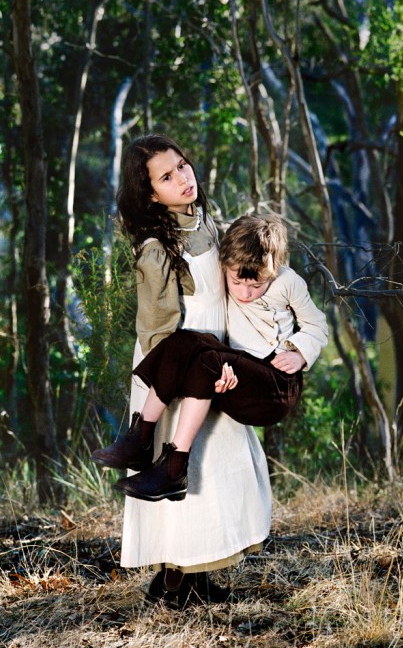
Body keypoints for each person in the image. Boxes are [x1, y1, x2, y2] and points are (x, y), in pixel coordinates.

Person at [96, 134, 271, 608]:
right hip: (173, 372)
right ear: (151, 194)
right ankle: (171, 583)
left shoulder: (207, 224)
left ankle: (197, 577)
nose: (182, 178)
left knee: (216, 469)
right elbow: (158, 330)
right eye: (166, 177)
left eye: (182, 166)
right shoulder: (157, 247)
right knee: (178, 470)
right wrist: (179, 382)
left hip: (214, 363)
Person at [93, 212, 328, 504]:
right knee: (182, 341)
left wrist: (300, 354)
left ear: (274, 270)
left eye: (256, 286)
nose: (245, 293)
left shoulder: (288, 282)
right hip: (239, 371)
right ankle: (140, 438)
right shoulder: (226, 262)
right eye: (237, 282)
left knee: (208, 361)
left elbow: (317, 324)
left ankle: (173, 469)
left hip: (276, 385)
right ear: (226, 266)